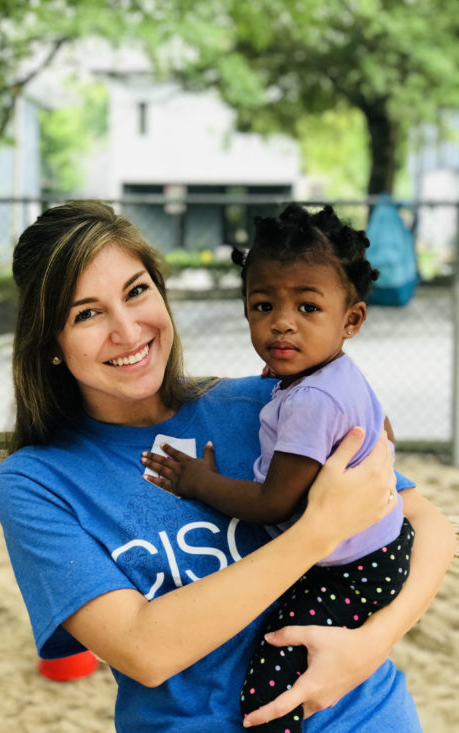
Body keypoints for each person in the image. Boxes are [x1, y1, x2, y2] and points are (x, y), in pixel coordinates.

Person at [0, 200, 455, 733]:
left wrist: (369, 646)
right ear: (50, 342)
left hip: (368, 716)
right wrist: (319, 530)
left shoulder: (267, 401)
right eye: (86, 313)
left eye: (136, 291)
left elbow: (429, 524)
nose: (126, 329)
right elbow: (146, 649)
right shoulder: (38, 482)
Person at [140, 204, 414, 732]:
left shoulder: (312, 399)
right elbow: (386, 430)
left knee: (272, 671)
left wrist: (200, 481)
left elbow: (276, 503)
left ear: (351, 319)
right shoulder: (329, 374)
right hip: (380, 546)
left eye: (308, 308)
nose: (282, 322)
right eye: (263, 305)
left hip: (353, 568)